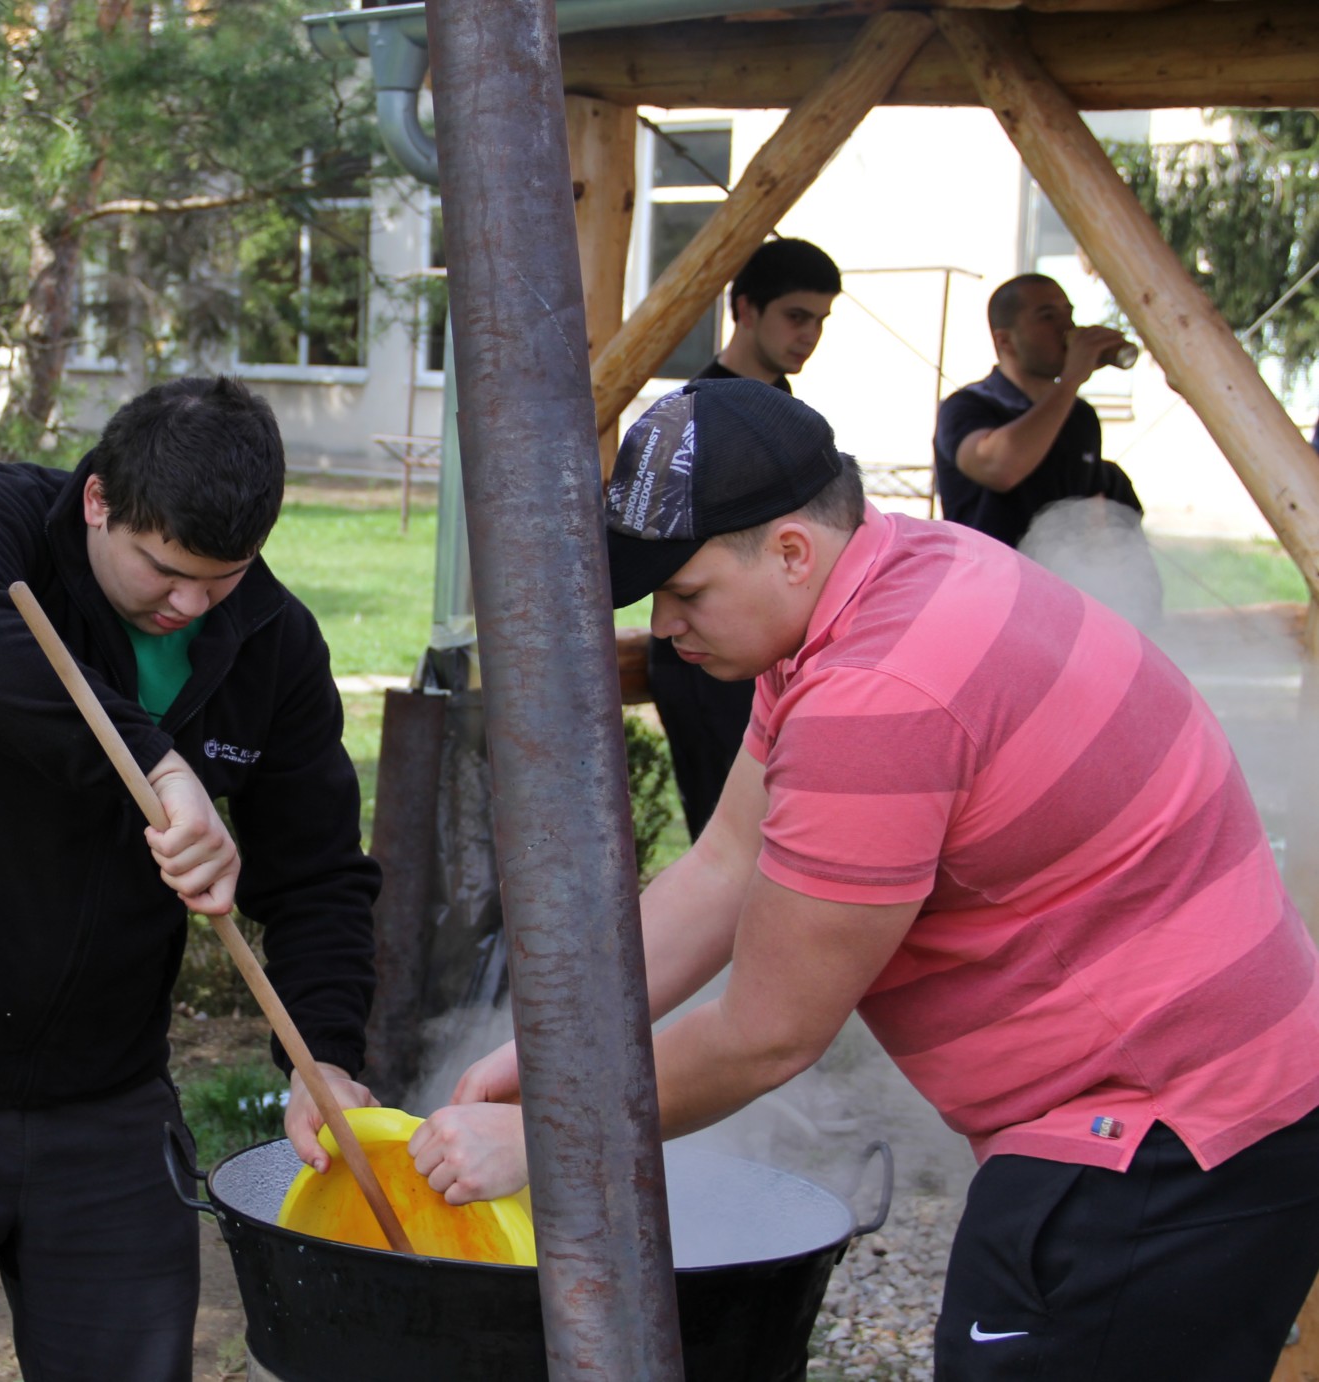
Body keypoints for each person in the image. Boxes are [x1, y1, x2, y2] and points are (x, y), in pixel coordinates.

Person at [413, 377, 1319, 1379]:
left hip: (1165, 1137)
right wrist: (554, 1051)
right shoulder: (892, 576)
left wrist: (552, 1135)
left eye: (686, 592)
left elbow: (768, 1033)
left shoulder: (876, 695)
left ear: (791, 551)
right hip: (1195, 1103)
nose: (663, 624)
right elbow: (723, 867)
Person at [0, 376, 380, 1381]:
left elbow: (317, 875)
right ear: (99, 499)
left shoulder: (271, 643)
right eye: (165, 570)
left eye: (222, 577)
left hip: (109, 1095)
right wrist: (156, 763)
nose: (189, 604)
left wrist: (322, 1056)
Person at [651, 237, 842, 841]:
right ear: (745, 309)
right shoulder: (691, 414)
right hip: (707, 657)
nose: (810, 335)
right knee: (731, 842)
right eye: (797, 316)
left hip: (772, 652)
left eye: (821, 320)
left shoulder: (783, 408)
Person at [934, 273, 1143, 550]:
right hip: (990, 574)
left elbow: (1091, 511)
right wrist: (1071, 379)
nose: (1067, 328)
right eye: (1048, 317)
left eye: (1069, 314)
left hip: (1063, 573)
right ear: (1005, 341)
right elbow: (999, 469)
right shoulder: (966, 406)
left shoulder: (1080, 414)